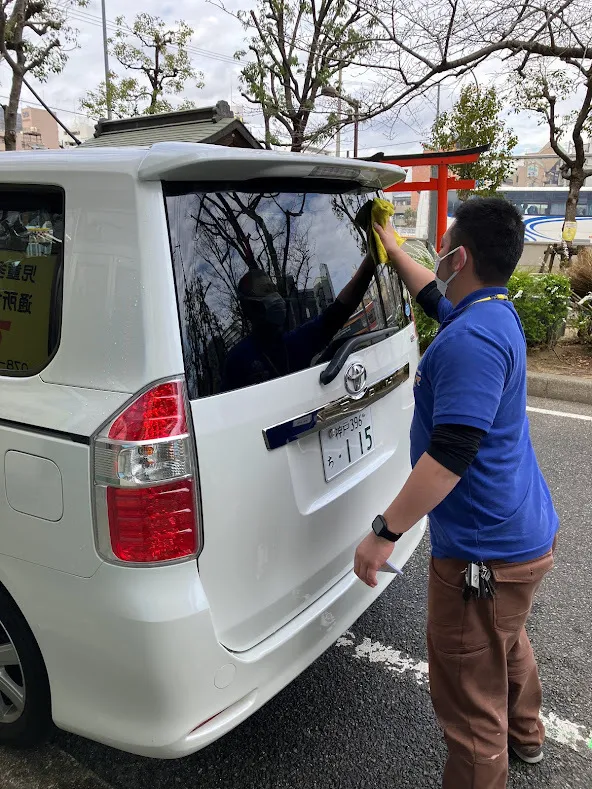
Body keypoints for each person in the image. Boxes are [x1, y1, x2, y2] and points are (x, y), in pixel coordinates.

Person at [354, 197, 559, 789]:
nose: (436, 254)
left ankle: (496, 754)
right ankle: (527, 735)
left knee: (470, 700)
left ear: (460, 254)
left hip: (482, 551)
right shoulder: (493, 312)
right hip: (518, 534)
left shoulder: (472, 342)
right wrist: (393, 251)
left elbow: (448, 458)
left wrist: (382, 533)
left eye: (442, 245)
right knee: (503, 636)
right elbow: (439, 300)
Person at [221, 256, 377, 392]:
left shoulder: (292, 344)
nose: (275, 296)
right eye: (266, 291)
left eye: (273, 289)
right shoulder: (237, 360)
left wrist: (370, 261)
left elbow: (337, 313)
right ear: (251, 308)